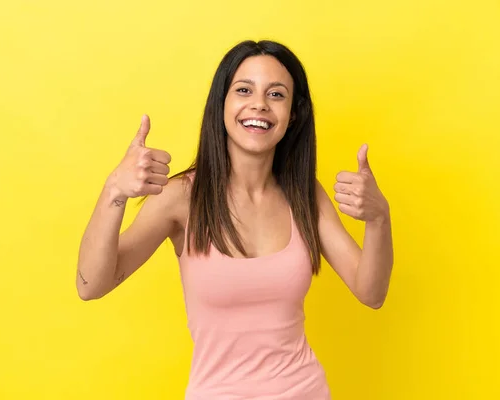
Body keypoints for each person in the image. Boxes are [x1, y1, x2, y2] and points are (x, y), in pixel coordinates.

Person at [76, 40, 394, 399]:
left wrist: (379, 218)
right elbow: (91, 285)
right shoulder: (182, 198)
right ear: (222, 104)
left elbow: (371, 292)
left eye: (276, 94)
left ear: (294, 114)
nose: (259, 103)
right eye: (244, 90)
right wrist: (114, 190)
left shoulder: (305, 194)